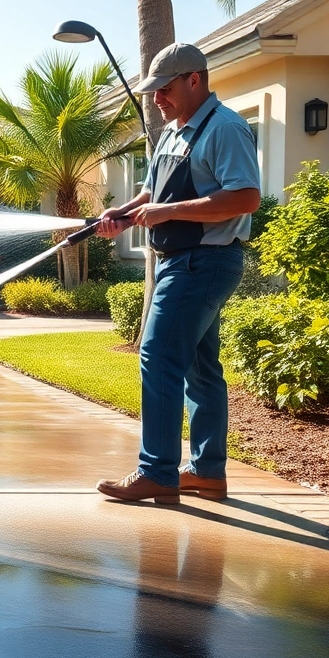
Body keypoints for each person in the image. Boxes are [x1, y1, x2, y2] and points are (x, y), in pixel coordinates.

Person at [95, 43, 261, 505]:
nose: (157, 99)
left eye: (164, 89)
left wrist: (167, 212)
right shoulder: (171, 132)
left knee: (159, 356)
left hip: (204, 261)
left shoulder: (226, 128)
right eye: (153, 91)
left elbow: (245, 197)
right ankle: (206, 472)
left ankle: (157, 471)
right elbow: (152, 192)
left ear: (194, 79)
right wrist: (122, 213)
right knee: (200, 369)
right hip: (180, 260)